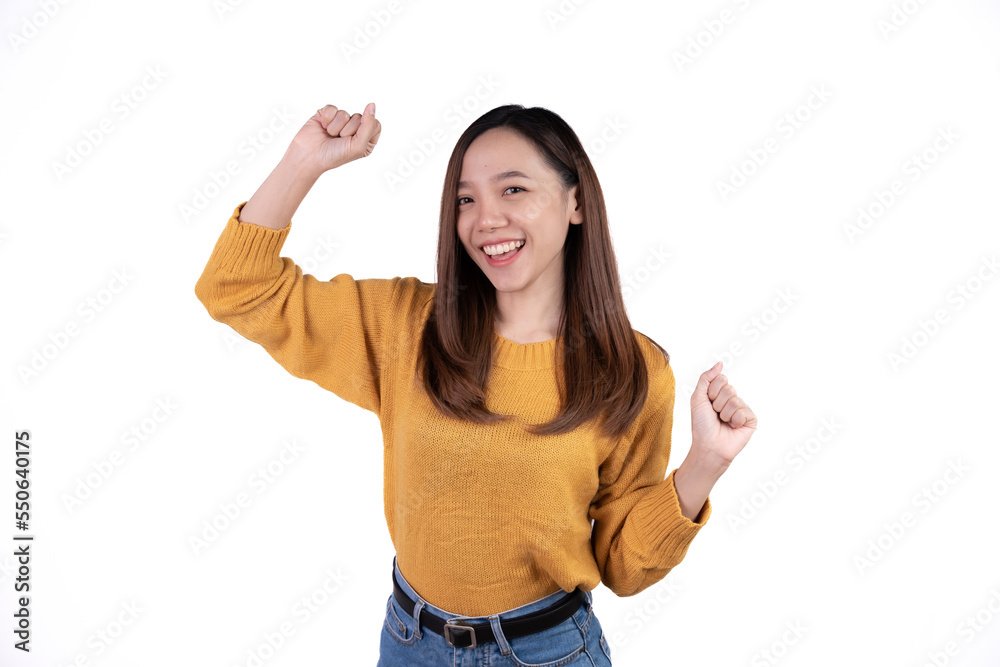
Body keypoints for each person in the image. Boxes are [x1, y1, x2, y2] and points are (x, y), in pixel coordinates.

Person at [194, 101, 758, 666]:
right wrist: (302, 162)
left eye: (513, 190)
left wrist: (703, 464)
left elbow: (622, 568)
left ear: (576, 202)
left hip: (549, 652)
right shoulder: (405, 327)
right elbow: (236, 287)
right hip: (411, 643)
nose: (485, 219)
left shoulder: (632, 372)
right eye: (466, 199)